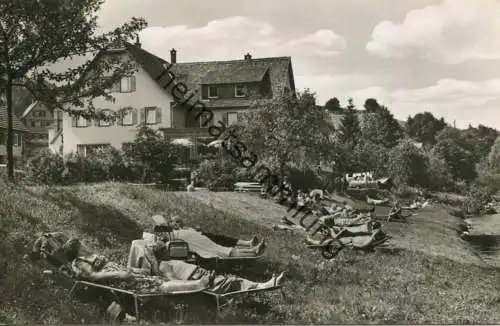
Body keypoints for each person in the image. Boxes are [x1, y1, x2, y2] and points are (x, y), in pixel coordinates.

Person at [61, 238, 212, 293]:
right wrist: (119, 274)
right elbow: (93, 276)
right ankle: (197, 285)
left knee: (159, 274)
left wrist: (132, 269)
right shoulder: (79, 262)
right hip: (120, 281)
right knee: (161, 284)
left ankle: (193, 284)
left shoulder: (89, 256)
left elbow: (111, 265)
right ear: (77, 249)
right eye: (82, 244)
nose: (85, 245)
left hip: (126, 275)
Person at [143, 241, 285, 294]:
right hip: (198, 278)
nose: (169, 251)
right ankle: (266, 285)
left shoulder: (169, 261)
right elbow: (175, 283)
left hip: (202, 274)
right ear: (160, 254)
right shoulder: (163, 266)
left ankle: (262, 285)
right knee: (232, 282)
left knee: (232, 280)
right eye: (165, 249)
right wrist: (199, 283)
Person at [153, 216, 266, 258]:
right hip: (193, 241)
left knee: (220, 249)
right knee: (220, 250)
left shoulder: (173, 231)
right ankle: (252, 251)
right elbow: (164, 237)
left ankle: (252, 250)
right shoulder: (168, 236)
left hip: (197, 238)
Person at [169, 215, 258, 248]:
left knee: (223, 239)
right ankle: (247, 245)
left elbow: (191, 231)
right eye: (174, 222)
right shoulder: (176, 232)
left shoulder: (184, 228)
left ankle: (247, 244)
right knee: (223, 241)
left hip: (203, 236)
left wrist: (196, 230)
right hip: (201, 239)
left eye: (178, 221)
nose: (176, 223)